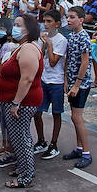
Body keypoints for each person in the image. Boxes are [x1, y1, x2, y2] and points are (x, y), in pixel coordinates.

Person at [0, 14, 44, 189]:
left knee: (21, 138)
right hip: (14, 100)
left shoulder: (29, 49)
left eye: (18, 25)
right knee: (18, 137)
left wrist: (16, 102)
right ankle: (23, 168)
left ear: (28, 29)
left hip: (22, 102)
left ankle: (26, 176)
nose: (14, 27)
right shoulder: (22, 47)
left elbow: (27, 79)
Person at [60, 6, 94, 168]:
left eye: (72, 17)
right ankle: (80, 147)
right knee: (74, 116)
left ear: (81, 19)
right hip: (72, 81)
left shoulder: (83, 37)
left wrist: (77, 84)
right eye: (68, 17)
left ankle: (86, 152)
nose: (69, 20)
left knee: (77, 117)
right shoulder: (72, 36)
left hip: (82, 84)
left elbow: (85, 61)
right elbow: (68, 60)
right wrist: (67, 81)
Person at [34, 9, 67, 159]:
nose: (46, 24)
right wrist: (43, 44)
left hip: (56, 80)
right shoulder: (45, 38)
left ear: (57, 24)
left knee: (56, 113)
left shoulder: (61, 40)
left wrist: (49, 44)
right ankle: (41, 140)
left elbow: (54, 62)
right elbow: (41, 57)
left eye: (49, 21)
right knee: (37, 111)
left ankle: (54, 143)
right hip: (44, 78)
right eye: (44, 21)